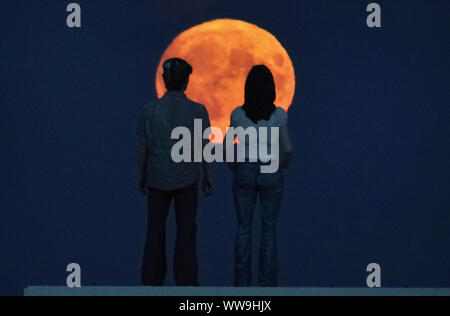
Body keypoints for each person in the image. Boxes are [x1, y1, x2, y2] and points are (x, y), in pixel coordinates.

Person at [137, 58, 214, 286]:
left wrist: (141, 174)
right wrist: (209, 175)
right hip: (187, 178)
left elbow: (143, 146)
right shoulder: (198, 111)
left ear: (164, 80)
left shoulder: (150, 111)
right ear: (186, 82)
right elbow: (204, 146)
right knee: (187, 230)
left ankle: (151, 280)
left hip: (157, 177)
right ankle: (187, 281)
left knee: (155, 230)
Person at [224, 65, 293, 287]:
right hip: (271, 171)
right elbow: (288, 149)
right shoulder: (279, 114)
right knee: (269, 229)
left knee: (243, 227)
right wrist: (282, 167)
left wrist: (234, 166)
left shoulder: (237, 114)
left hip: (244, 170)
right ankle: (268, 285)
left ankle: (242, 285)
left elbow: (227, 146)